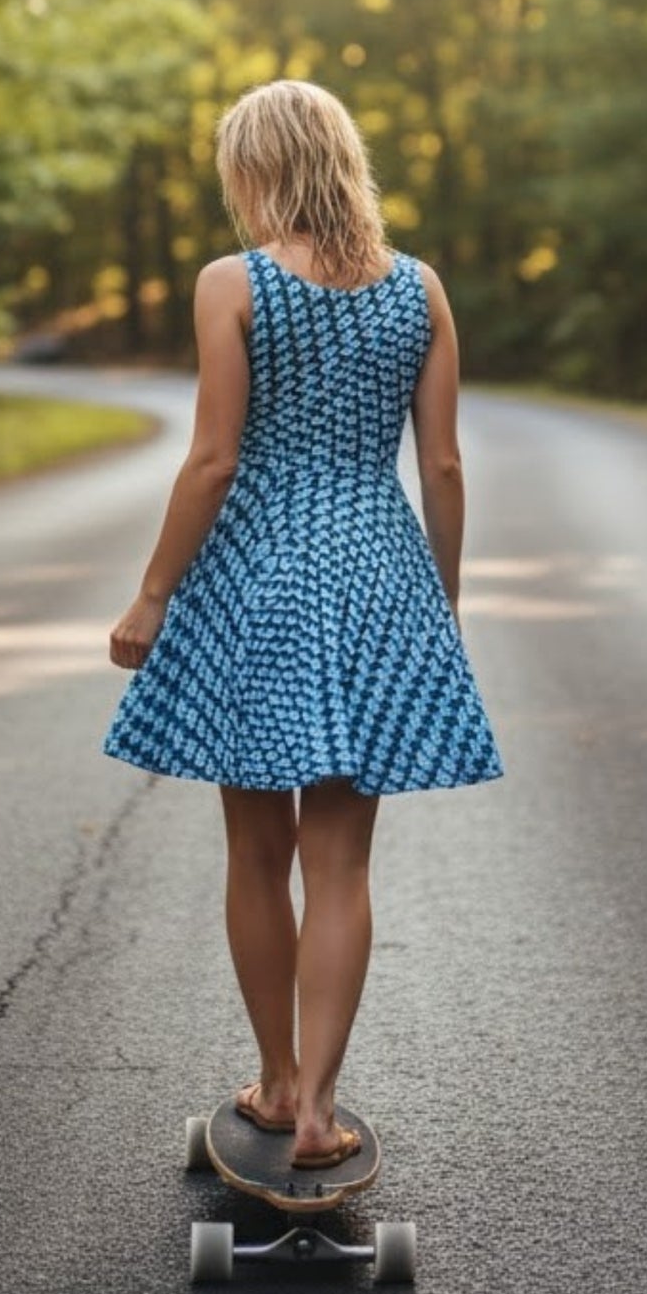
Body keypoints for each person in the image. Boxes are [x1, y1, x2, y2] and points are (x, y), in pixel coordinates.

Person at [101, 79, 502, 1169]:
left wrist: (150, 591)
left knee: (255, 846)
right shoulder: (419, 289)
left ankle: (276, 1084)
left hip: (261, 578)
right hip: (377, 572)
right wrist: (442, 601)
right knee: (341, 863)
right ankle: (324, 1105)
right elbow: (445, 462)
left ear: (255, 169)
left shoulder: (232, 284)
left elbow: (213, 459)